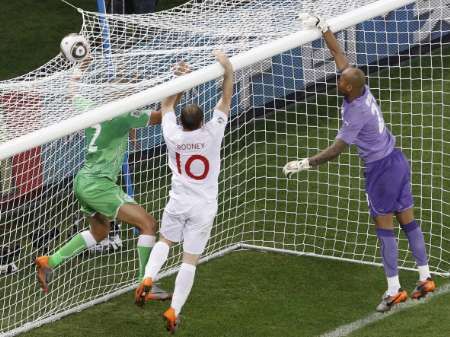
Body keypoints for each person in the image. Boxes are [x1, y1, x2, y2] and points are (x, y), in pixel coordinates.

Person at [283, 15, 436, 312]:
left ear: (349, 88)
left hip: (380, 170)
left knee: (385, 228)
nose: (337, 80)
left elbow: (335, 151)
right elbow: (339, 55)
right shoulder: (360, 88)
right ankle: (426, 277)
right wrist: (323, 27)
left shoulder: (355, 112)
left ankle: (394, 290)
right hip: (397, 160)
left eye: (341, 80)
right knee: (409, 221)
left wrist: (304, 163)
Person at [35, 61, 164, 298]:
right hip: (98, 184)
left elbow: (72, 92)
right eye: (134, 93)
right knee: (148, 224)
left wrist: (79, 68)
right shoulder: (125, 115)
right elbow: (162, 116)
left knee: (100, 232)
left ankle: (49, 261)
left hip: (83, 181)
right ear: (125, 97)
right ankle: (144, 284)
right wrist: (178, 88)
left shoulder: (91, 108)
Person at [134, 51, 234, 333]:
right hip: (203, 206)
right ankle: (173, 310)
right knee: (190, 259)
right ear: (202, 121)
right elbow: (226, 100)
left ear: (183, 122)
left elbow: (166, 105)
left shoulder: (173, 135)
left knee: (165, 240)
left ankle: (149, 276)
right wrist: (227, 68)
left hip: (178, 201)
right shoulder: (213, 132)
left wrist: (179, 78)